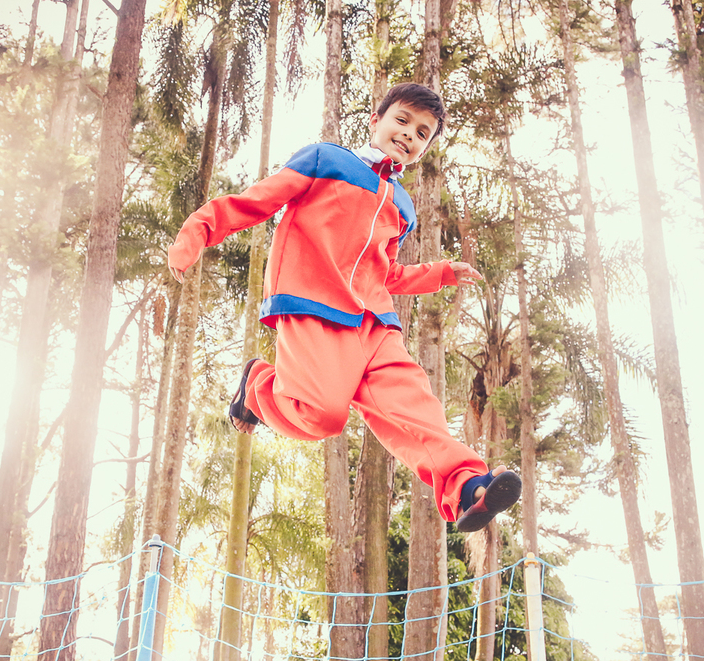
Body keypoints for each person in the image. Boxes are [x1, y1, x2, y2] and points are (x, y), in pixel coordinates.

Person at [166, 82, 520, 533]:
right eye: (403, 120)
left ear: (425, 148)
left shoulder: (402, 205)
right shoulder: (325, 160)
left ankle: (468, 486)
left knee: (415, 408)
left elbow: (385, 272)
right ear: (376, 121)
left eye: (423, 132)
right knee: (322, 417)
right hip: (314, 306)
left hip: (375, 323)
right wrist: (198, 231)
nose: (410, 134)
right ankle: (258, 385)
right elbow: (258, 201)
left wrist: (439, 273)